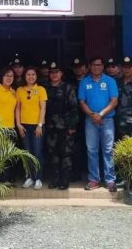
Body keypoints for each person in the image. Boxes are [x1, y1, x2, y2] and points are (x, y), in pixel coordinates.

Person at [78, 56, 118, 192]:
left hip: (107, 120)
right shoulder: (84, 82)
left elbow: (114, 101)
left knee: (108, 150)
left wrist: (100, 114)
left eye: (100, 65)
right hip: (90, 120)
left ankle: (110, 180)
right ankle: (94, 179)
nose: (97, 67)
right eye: (94, 65)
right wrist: (93, 115)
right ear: (90, 66)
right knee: (92, 150)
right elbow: (82, 102)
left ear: (103, 66)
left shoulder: (110, 81)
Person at [45, 62, 78, 190]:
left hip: (65, 127)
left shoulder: (68, 88)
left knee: (66, 155)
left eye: (56, 72)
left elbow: (74, 107)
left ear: (61, 74)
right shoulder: (44, 88)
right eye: (52, 72)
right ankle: (55, 179)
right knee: (52, 154)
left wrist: (72, 126)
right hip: (50, 127)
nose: (54, 75)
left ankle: (65, 180)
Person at [15, 66, 47, 190]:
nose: (30, 76)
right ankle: (30, 177)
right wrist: (18, 124)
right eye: (28, 74)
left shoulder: (40, 89)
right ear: (24, 76)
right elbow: (17, 108)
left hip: (37, 126)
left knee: (37, 152)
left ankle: (38, 178)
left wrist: (40, 125)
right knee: (27, 152)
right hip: (24, 125)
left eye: (33, 74)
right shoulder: (20, 90)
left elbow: (43, 108)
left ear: (36, 76)